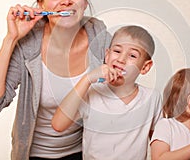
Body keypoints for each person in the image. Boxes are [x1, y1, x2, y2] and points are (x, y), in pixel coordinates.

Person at [0, 0, 111, 160]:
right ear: (41, 5)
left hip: (86, 152)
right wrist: (11, 39)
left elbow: (117, 94)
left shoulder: (98, 35)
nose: (66, 1)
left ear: (84, 1)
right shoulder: (28, 44)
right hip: (33, 154)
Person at [52, 25, 162, 160]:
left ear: (145, 67)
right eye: (117, 51)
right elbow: (58, 124)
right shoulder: (92, 92)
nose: (121, 59)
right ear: (107, 55)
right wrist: (86, 80)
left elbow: (159, 142)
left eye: (132, 55)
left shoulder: (152, 98)